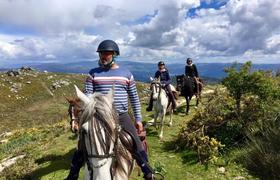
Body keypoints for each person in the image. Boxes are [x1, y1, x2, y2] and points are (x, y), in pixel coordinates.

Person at [66, 40, 154, 180]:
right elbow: (88, 95)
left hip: (121, 115)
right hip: (99, 116)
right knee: (82, 143)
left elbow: (134, 98)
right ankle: (73, 174)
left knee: (136, 141)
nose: (103, 56)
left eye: (107, 53)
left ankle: (148, 172)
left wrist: (138, 119)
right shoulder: (92, 74)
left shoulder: (126, 74)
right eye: (101, 53)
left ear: (115, 55)